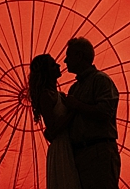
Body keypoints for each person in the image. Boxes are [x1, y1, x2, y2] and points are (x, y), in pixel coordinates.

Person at [62, 37, 121, 189]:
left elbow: (105, 113)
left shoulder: (101, 80)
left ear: (79, 56)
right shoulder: (74, 89)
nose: (65, 61)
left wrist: (77, 105)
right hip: (80, 153)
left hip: (99, 152)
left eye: (69, 55)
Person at [28, 53, 81, 189]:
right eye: (53, 65)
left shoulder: (59, 96)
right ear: (46, 73)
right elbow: (53, 128)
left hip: (68, 146)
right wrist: (74, 110)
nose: (58, 65)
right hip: (61, 148)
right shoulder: (46, 96)